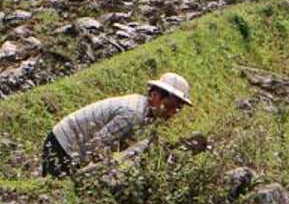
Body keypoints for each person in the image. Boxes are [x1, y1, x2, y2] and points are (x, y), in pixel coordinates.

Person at [41, 73, 193, 177]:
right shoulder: (133, 113)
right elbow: (98, 144)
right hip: (61, 146)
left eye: (177, 109)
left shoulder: (144, 111)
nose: (172, 112)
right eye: (168, 106)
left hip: (69, 145)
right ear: (154, 96)